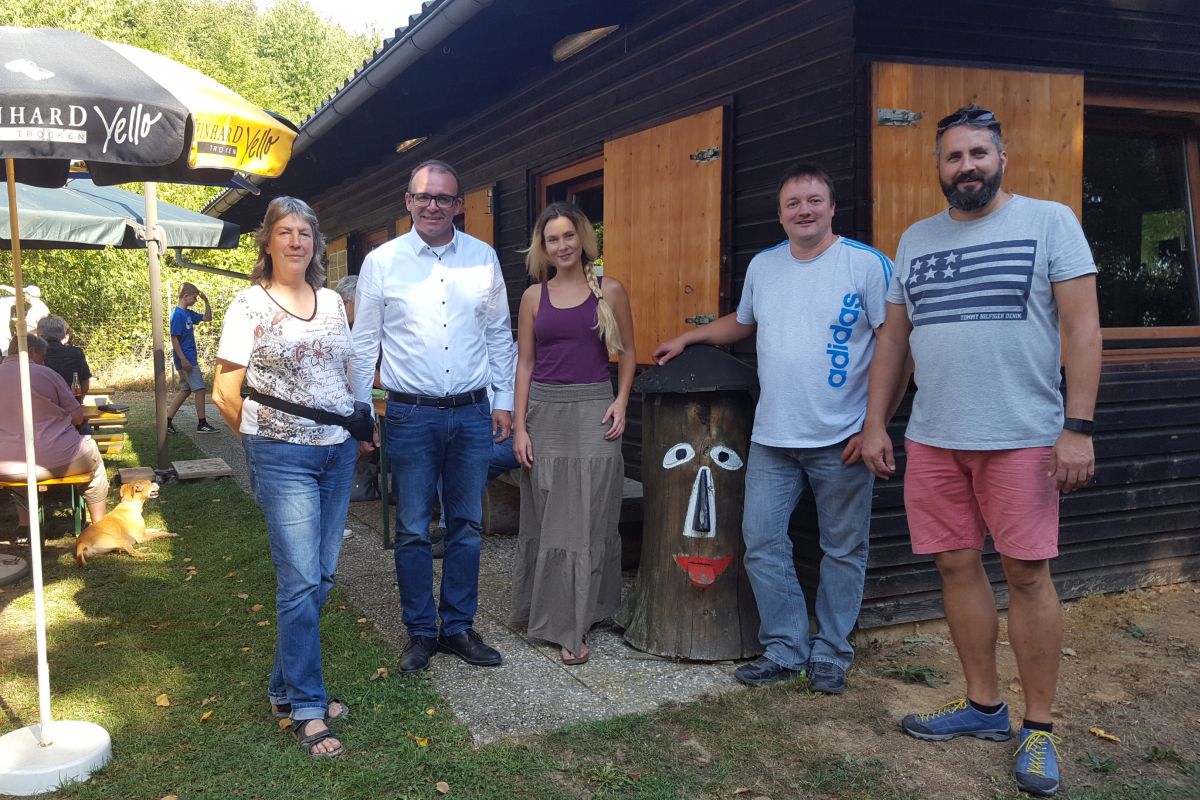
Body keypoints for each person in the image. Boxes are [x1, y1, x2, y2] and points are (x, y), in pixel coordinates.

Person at [861, 105, 1102, 797]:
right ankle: (983, 705)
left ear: (1001, 158)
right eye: (954, 156)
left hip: (1023, 436)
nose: (966, 166)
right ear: (939, 168)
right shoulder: (916, 238)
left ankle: (1039, 726)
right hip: (935, 436)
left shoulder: (1049, 222)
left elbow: (1083, 330)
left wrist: (1078, 427)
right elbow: (895, 340)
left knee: (1026, 575)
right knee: (955, 565)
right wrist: (876, 423)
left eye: (978, 153)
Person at [653, 163, 897, 694]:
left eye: (814, 201)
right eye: (793, 204)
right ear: (781, 214)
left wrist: (875, 425)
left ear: (832, 208)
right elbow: (744, 323)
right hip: (772, 437)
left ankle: (831, 653)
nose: (804, 211)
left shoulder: (867, 265)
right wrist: (689, 338)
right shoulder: (764, 266)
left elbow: (897, 348)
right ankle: (786, 648)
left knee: (843, 549)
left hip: (843, 438)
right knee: (762, 541)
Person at [350, 159, 516, 675]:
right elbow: (364, 342)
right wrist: (361, 409)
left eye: (444, 198)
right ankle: (421, 631)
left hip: (471, 412)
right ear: (408, 201)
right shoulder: (382, 262)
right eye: (424, 196)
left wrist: (504, 400)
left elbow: (498, 335)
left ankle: (459, 627)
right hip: (411, 414)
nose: (433, 206)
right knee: (413, 528)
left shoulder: (483, 259)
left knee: (466, 524)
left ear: (459, 205)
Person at [212, 196, 358, 758]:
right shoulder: (248, 304)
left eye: (305, 232)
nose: (296, 241)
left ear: (315, 242)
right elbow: (225, 391)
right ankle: (307, 706)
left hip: (337, 452)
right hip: (282, 457)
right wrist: (260, 444)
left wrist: (355, 423)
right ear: (267, 241)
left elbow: (342, 371)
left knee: (320, 577)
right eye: (285, 231)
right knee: (298, 581)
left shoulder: (331, 301)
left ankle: (283, 687)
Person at [510, 202, 635, 665]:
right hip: (544, 414)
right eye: (552, 239)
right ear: (542, 248)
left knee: (589, 518)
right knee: (549, 518)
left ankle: (577, 622)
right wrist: (520, 426)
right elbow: (524, 364)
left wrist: (621, 401)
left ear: (582, 238)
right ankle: (548, 611)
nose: (562, 246)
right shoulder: (533, 297)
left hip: (594, 413)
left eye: (568, 236)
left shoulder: (610, 290)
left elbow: (627, 352)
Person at [0, 335, 108, 539]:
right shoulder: (47, 374)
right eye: (42, 356)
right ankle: (99, 525)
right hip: (55, 458)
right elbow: (77, 417)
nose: (44, 361)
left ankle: (25, 525)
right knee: (94, 462)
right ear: (31, 351)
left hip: (5, 465)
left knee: (22, 476)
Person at [166, 282, 216, 434]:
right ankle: (202, 424)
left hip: (188, 358)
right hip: (186, 359)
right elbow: (174, 338)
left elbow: (207, 318)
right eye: (194, 298)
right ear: (185, 296)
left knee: (186, 390)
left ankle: (166, 420)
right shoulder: (177, 315)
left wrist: (206, 301)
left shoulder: (188, 313)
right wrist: (183, 359)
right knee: (200, 389)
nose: (195, 300)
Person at [37, 315, 91, 398]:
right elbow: (85, 386)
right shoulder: (76, 353)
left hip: (43, 403)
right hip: (72, 402)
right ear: (63, 334)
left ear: (38, 334)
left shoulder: (35, 355)